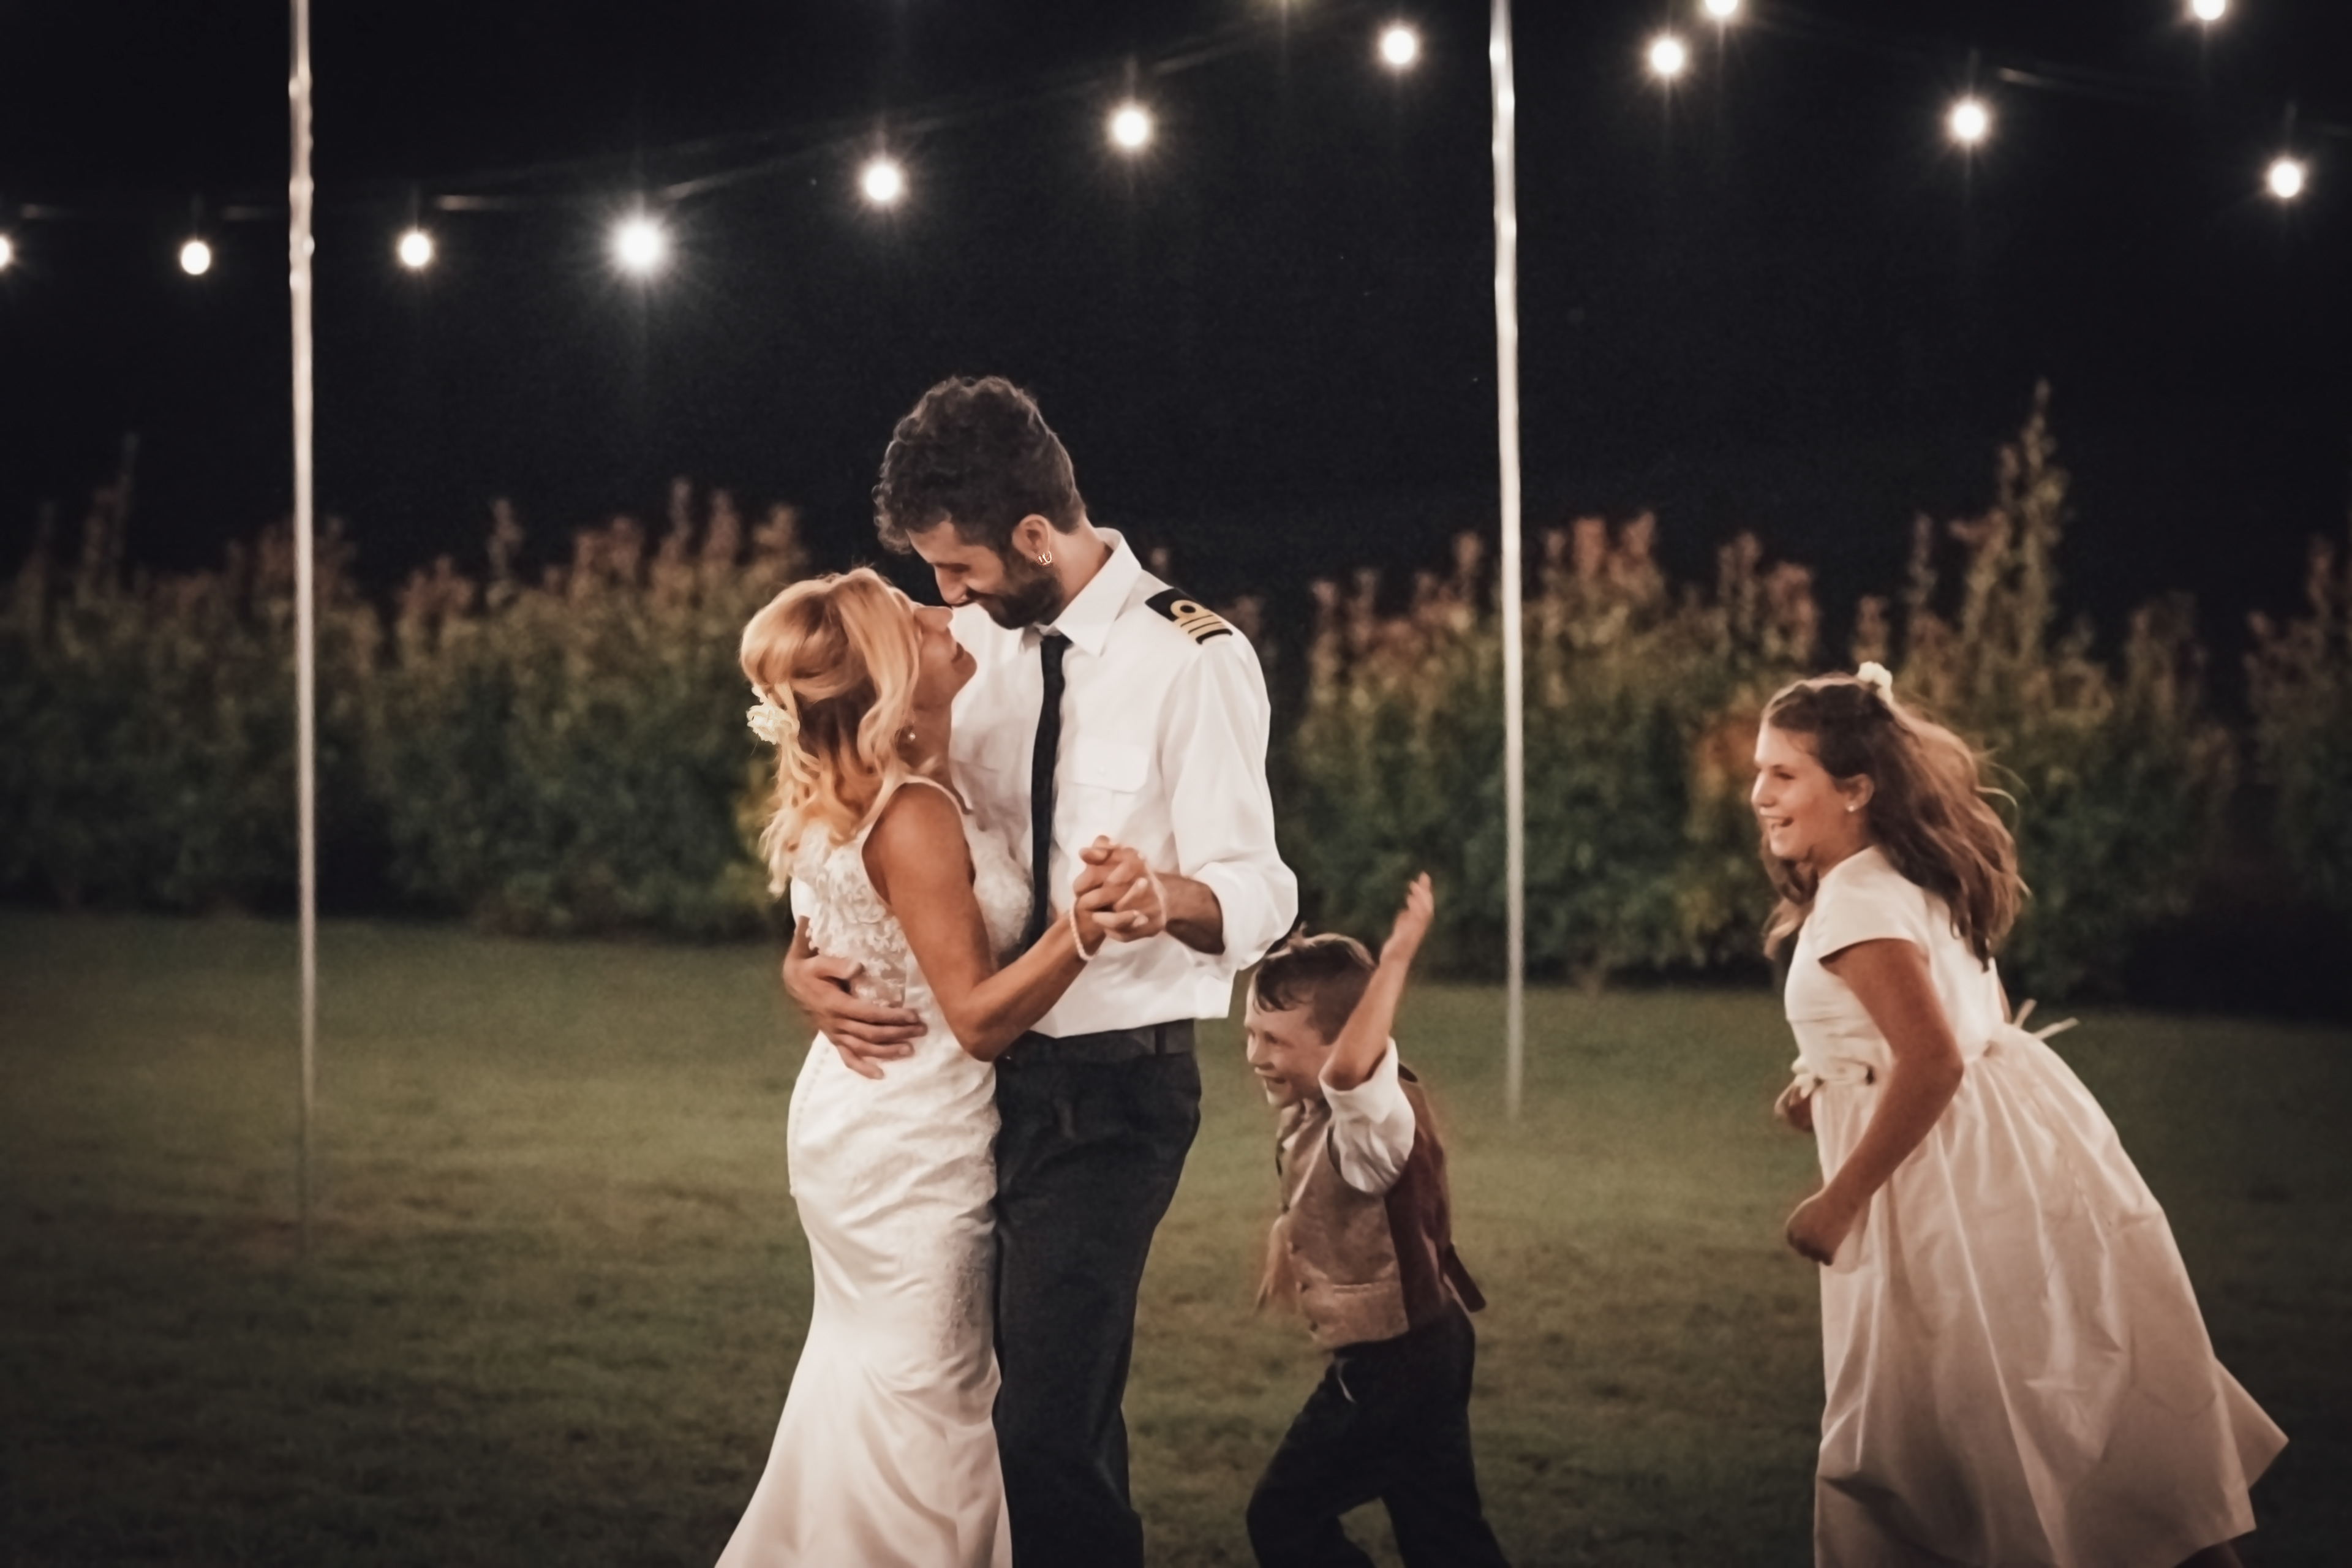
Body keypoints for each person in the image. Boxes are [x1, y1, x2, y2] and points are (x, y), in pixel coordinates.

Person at [783, 375, 1298, 1567]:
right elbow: (861, 825)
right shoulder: (956, 652)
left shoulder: (1193, 659)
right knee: (969, 1415)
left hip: (1110, 1093)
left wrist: (1168, 896)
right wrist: (805, 964)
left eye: (957, 568)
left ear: (1031, 534)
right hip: (963, 1098)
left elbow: (1264, 887)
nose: (945, 596)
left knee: (1045, 1425)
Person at [1755, 662, 2286, 1568]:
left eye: (1783, 773)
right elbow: (1979, 1020)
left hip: (1948, 1204)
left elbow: (1935, 1059)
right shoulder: (1909, 876)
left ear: (1856, 789)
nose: (1760, 794)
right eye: (1760, 772)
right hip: (2017, 1168)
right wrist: (1832, 1081)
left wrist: (1838, 1201)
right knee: (2087, 1425)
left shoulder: (1855, 904)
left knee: (1948, 1452)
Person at [716, 568, 1145, 1568]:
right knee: (930, 1398)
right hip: (912, 1143)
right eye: (915, 620)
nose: (942, 613)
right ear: (891, 681)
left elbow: (833, 932)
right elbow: (980, 1020)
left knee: (883, 1380)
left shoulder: (874, 789)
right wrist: (1082, 930)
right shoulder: (910, 813)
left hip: (864, 1115)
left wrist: (800, 972)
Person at [1240, 875, 1511, 1568]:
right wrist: (1288, 1232)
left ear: (1343, 1043)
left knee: (1283, 1516)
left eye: (1275, 1041)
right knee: (1446, 1539)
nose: (1256, 1056)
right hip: (1427, 1349)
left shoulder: (1372, 1121)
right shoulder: (1314, 1114)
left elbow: (1349, 1077)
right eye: (1252, 1035)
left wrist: (1395, 960)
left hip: (1398, 1363)